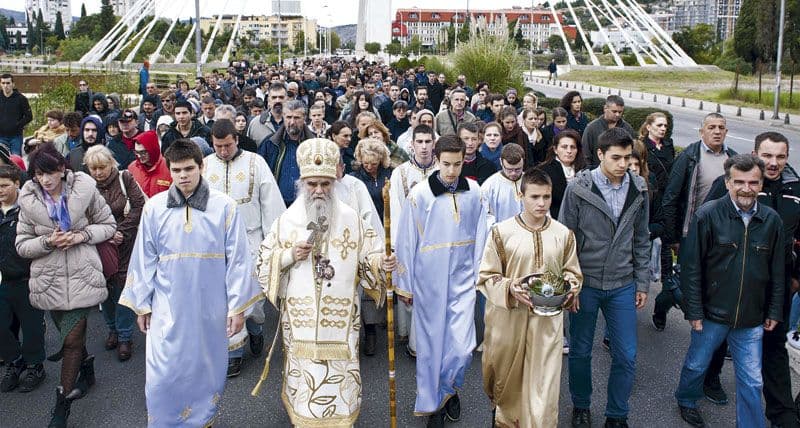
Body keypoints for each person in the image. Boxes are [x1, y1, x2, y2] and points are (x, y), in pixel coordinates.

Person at [256, 138, 396, 427]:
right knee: (305, 379)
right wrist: (288, 256)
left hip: (341, 317)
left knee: (339, 377)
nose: (319, 191)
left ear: (335, 183)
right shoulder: (286, 220)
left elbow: (369, 255)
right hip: (300, 319)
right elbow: (263, 261)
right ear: (302, 183)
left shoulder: (352, 219)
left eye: (325, 184)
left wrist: (381, 263)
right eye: (312, 184)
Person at [120, 139, 261, 427]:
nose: (182, 176)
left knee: (205, 374)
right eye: (176, 170)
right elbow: (144, 258)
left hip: (209, 308)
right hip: (166, 307)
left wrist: (237, 308)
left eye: (188, 169)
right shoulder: (155, 208)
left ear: (201, 166)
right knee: (161, 378)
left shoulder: (225, 207)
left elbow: (238, 260)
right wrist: (142, 305)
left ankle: (201, 422)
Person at [674, 154, 785, 428]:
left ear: (761, 184)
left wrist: (773, 310)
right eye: (739, 182)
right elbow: (691, 268)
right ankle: (686, 399)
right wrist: (694, 310)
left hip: (751, 317)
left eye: (753, 182)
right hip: (711, 313)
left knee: (752, 378)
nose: (746, 188)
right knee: (696, 365)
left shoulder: (772, 220)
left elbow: (778, 271)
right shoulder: (708, 215)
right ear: (727, 183)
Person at [700, 133, 800, 427]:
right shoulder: (733, 182)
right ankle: (710, 378)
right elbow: (706, 226)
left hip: (776, 287)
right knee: (719, 340)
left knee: (774, 347)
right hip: (732, 283)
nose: (773, 163)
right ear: (755, 153)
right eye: (767, 156)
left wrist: (795, 277)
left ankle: (781, 414)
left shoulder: (795, 188)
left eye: (780, 156)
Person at [16, 143, 116, 427]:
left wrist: (81, 236)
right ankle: (87, 368)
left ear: (62, 169)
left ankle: (62, 407)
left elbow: (108, 225)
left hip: (84, 275)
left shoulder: (85, 190)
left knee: (71, 341)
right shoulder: (29, 200)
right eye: (38, 174)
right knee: (70, 337)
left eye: (50, 172)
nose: (45, 180)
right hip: (49, 281)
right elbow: (21, 245)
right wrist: (48, 242)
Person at [559, 127, 650, 428]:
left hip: (622, 283)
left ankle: (617, 414)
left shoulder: (639, 188)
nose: (623, 164)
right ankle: (581, 405)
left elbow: (642, 238)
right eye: (616, 158)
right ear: (600, 155)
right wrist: (569, 285)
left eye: (627, 158)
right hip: (585, 284)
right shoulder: (578, 188)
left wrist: (643, 281)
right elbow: (565, 237)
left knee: (626, 355)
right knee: (580, 352)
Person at [395, 135, 489, 427]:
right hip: (428, 282)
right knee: (431, 347)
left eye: (457, 164)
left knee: (462, 347)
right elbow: (407, 240)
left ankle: (449, 390)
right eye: (446, 164)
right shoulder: (420, 194)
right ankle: (432, 403)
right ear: (436, 160)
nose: (451, 171)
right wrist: (405, 284)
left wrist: (479, 275)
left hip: (463, 281)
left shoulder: (474, 192)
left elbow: (482, 235)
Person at [478, 167, 582, 428]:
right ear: (521, 196)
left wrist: (569, 289)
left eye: (546, 197)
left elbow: (573, 273)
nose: (541, 203)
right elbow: (486, 277)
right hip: (507, 321)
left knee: (543, 389)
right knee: (504, 383)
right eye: (534, 197)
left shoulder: (563, 234)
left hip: (546, 325)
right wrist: (510, 288)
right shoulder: (501, 233)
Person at [203, 119, 286, 377]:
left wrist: (274, 240)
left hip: (251, 239)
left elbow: (270, 201)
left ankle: (256, 329)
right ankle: (234, 352)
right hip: (217, 243)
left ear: (236, 140)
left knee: (253, 296)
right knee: (225, 298)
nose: (224, 151)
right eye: (218, 146)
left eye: (228, 145)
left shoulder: (255, 162)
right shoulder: (205, 165)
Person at [83, 145, 146, 362]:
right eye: (93, 168)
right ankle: (113, 330)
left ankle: (125, 336)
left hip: (126, 242)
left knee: (123, 288)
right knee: (106, 289)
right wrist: (104, 234)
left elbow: (139, 206)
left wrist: (121, 232)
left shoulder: (125, 178)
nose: (98, 172)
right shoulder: (86, 186)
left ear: (111, 163)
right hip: (100, 244)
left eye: (102, 167)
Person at [388, 124, 438, 355]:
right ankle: (410, 337)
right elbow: (397, 209)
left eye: (428, 142)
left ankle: (427, 341)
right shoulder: (401, 173)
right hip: (410, 240)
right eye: (420, 142)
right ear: (412, 144)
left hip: (437, 241)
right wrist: (400, 244)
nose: (424, 147)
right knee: (410, 291)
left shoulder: (442, 170)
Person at [0, 165, 47, 393]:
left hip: (28, 278)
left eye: (4, 185)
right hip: (2, 280)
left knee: (32, 328)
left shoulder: (29, 210)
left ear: (17, 183)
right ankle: (14, 361)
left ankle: (34, 366)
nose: (0, 190)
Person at [259, 100, 316, 207]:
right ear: (283, 118)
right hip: (277, 204)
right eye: (289, 117)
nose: (292, 122)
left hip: (307, 204)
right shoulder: (270, 144)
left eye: (297, 118)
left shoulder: (315, 144)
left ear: (304, 119)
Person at [539, 129, 586, 219]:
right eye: (564, 147)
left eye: (573, 147)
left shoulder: (584, 170)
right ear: (555, 149)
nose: (569, 151)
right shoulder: (544, 171)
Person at [582, 96, 635, 169]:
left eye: (620, 112)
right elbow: (586, 154)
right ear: (605, 108)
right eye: (614, 111)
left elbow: (633, 153)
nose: (617, 115)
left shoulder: (627, 128)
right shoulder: (591, 128)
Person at [481, 144, 526, 226]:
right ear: (501, 162)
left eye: (518, 169)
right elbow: (485, 216)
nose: (513, 173)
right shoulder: (490, 186)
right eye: (509, 169)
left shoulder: (530, 182)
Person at [128, 130, 172, 197]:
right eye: (136, 152)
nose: (139, 156)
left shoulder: (170, 167)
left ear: (152, 150)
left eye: (143, 152)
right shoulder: (132, 168)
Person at [0, 73, 33, 156]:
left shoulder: (21, 98)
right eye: (3, 83)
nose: (5, 85)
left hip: (16, 137)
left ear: (13, 84)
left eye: (8, 83)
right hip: (1, 136)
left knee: (16, 161)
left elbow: (29, 116)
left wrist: (18, 125)